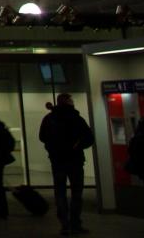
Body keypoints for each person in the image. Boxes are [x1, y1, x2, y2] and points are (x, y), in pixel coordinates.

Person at [39, 92, 94, 235]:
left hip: (57, 160)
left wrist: (52, 147)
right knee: (77, 193)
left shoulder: (49, 119)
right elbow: (89, 138)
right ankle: (75, 223)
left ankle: (64, 224)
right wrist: (77, 146)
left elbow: (42, 137)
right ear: (69, 102)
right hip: (75, 160)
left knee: (60, 192)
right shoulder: (76, 118)